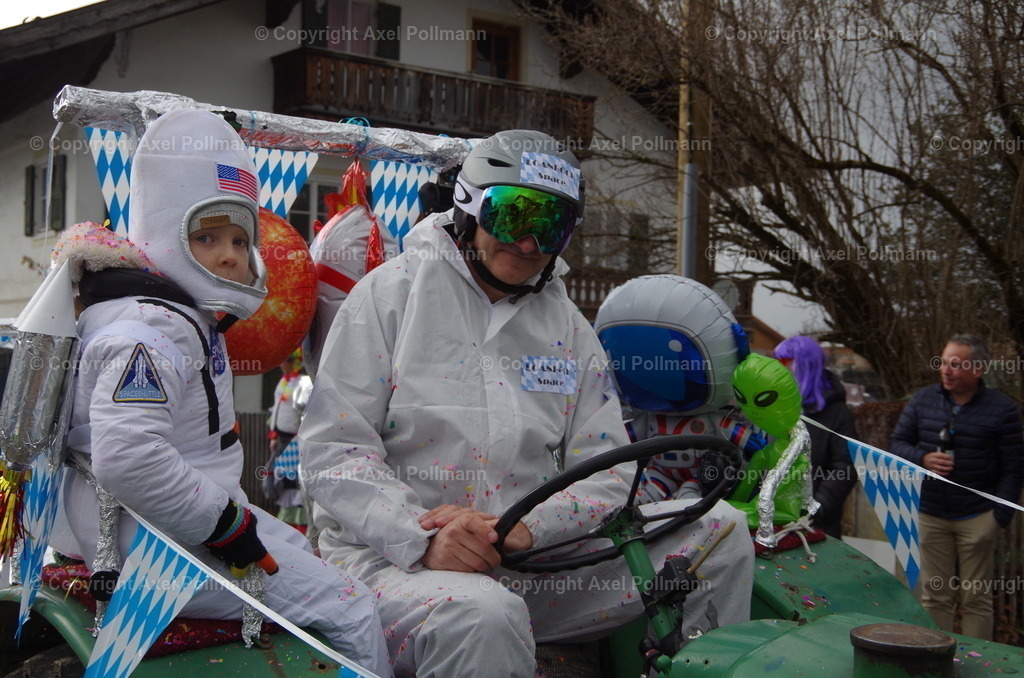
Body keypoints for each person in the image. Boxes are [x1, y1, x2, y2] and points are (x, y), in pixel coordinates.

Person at [300, 130, 753, 678]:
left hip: (530, 563)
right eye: (513, 215)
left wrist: (529, 529)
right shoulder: (388, 297)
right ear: (469, 205)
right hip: (393, 566)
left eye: (551, 225)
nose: (528, 243)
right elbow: (334, 451)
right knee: (483, 615)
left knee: (721, 528)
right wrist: (422, 537)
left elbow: (608, 471)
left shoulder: (567, 327)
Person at [50, 109, 390, 676]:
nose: (230, 255)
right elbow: (128, 456)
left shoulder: (174, 318)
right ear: (163, 234)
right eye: (205, 236)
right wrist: (226, 527)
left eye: (239, 238)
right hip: (160, 545)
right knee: (351, 606)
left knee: (311, 556)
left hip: (171, 528)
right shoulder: (148, 329)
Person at [889, 334, 1024, 640]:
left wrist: (998, 517)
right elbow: (896, 443)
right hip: (931, 513)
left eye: (956, 364)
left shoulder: (1002, 410)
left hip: (978, 516)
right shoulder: (922, 400)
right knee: (935, 596)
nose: (946, 370)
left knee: (976, 599)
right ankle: (936, 657)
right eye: (944, 362)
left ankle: (978, 659)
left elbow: (1014, 467)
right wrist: (922, 458)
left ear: (978, 369)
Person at [773, 336, 858, 538]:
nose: (777, 369)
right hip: (773, 521)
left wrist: (814, 509)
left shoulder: (837, 413)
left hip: (816, 527)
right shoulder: (775, 408)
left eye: (784, 362)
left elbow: (845, 468)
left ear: (804, 366)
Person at [263, 350, 313, 531]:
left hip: (296, 440)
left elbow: (306, 411)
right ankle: (287, 523)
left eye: (285, 361)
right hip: (282, 439)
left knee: (295, 480)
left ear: (294, 362)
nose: (281, 364)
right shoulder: (283, 382)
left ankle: (301, 524)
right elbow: (277, 410)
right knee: (283, 479)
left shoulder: (304, 382)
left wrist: (301, 435)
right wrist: (274, 436)